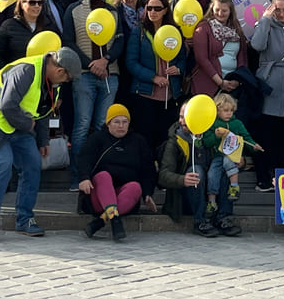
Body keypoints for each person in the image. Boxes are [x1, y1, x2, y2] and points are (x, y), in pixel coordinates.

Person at [0, 47, 78, 241]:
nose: (66, 82)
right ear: (60, 71)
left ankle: (25, 219)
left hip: (17, 125)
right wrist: (29, 125)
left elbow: (45, 111)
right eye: (67, 78)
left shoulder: (54, 83)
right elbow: (7, 105)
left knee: (32, 164)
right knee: (2, 163)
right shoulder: (26, 70)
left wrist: (43, 140)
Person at [60, 0, 125, 177]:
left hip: (109, 75)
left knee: (102, 125)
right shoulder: (73, 10)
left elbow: (119, 42)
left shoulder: (113, 11)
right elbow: (69, 42)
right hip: (84, 76)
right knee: (82, 125)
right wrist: (91, 63)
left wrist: (105, 60)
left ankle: (100, 174)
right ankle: (79, 176)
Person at [156, 103, 240, 238]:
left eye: (185, 117)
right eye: (180, 117)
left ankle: (223, 218)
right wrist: (182, 179)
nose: (181, 121)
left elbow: (230, 154)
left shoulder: (212, 136)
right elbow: (163, 175)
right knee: (196, 170)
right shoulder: (175, 141)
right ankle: (200, 221)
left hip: (213, 192)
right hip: (186, 197)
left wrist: (240, 161)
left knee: (225, 168)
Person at [76, 108, 158, 242]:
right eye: (117, 122)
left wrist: (147, 193)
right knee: (103, 176)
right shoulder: (97, 138)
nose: (121, 126)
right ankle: (114, 219)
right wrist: (84, 178)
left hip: (124, 196)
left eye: (125, 122)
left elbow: (148, 169)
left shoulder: (138, 141)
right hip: (99, 195)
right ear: (108, 123)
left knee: (135, 187)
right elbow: (84, 159)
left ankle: (103, 220)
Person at [250, 0, 284, 191]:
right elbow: (257, 45)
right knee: (266, 134)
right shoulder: (265, 24)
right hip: (270, 85)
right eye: (277, 9)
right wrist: (264, 20)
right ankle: (263, 177)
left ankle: (283, 177)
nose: (281, 13)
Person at [126, 0, 187, 153]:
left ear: (165, 10)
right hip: (145, 94)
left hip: (169, 94)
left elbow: (183, 58)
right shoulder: (138, 32)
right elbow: (131, 63)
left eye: (157, 8)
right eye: (149, 8)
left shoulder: (175, 31)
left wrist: (178, 68)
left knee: (165, 139)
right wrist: (153, 77)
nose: (153, 12)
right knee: (145, 138)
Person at [201, 92, 262, 205]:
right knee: (211, 175)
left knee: (228, 160)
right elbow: (206, 142)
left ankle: (234, 187)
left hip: (233, 156)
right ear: (217, 110)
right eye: (225, 110)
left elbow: (246, 138)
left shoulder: (237, 124)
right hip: (217, 156)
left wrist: (253, 146)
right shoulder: (212, 124)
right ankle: (211, 201)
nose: (229, 113)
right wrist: (216, 136)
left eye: (231, 111)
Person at [0, 0, 55, 67]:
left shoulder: (49, 25)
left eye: (40, 3)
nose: (37, 6)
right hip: (16, 74)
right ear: (22, 4)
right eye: (32, 2)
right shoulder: (8, 26)